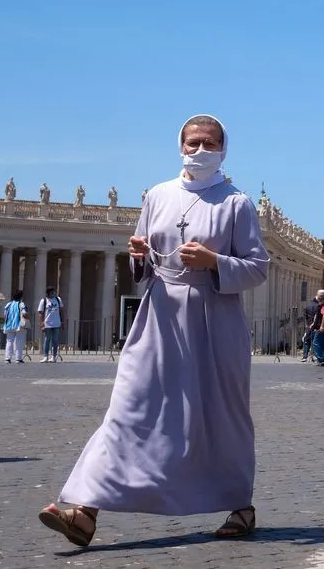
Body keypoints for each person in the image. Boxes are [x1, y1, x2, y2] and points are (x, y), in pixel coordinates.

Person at [39, 114, 270, 546]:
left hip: (214, 318)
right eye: (192, 142)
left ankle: (241, 505)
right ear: (180, 146)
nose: (199, 149)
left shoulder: (236, 203)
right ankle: (85, 509)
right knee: (129, 406)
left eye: (209, 143)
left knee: (221, 412)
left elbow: (257, 268)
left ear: (223, 149)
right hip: (159, 315)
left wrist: (215, 262)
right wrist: (138, 255)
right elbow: (142, 261)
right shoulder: (158, 195)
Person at [3, 289, 28, 364]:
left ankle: (7, 358)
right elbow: (24, 313)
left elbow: (5, 314)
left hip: (9, 325)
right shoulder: (21, 304)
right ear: (21, 297)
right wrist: (27, 317)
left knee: (9, 341)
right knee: (19, 342)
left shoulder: (9, 304)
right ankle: (18, 358)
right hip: (19, 325)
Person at [38, 287, 63, 363]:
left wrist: (62, 321)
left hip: (56, 323)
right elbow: (40, 313)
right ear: (48, 293)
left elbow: (61, 311)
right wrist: (42, 323)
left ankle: (54, 356)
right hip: (47, 323)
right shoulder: (44, 301)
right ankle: (45, 356)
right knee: (47, 339)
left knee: (55, 340)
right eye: (52, 292)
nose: (53, 294)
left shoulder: (58, 299)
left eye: (54, 292)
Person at [300, 294, 319, 362]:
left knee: (307, 340)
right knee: (315, 341)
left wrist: (307, 324)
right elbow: (317, 316)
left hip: (309, 326)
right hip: (317, 326)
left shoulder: (308, 306)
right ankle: (316, 356)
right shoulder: (318, 306)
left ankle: (305, 356)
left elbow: (305, 316)